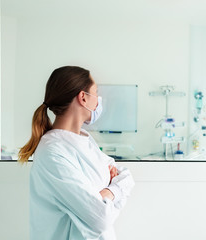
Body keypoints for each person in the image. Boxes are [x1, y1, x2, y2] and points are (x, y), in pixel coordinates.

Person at [18, 66, 135, 240]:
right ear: (83, 97)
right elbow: (100, 219)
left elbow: (126, 176)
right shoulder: (52, 152)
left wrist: (107, 194)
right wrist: (114, 190)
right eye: (96, 93)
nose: (98, 101)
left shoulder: (84, 139)